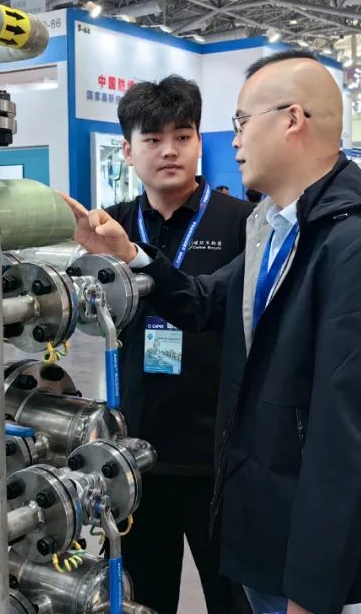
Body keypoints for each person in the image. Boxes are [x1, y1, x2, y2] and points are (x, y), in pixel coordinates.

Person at [64, 50, 361, 614]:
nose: (232, 141)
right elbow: (204, 300)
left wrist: (313, 591)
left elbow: (350, 442)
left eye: (240, 122)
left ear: (292, 119)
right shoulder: (276, 228)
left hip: (311, 562)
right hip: (263, 518)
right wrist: (131, 254)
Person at [102, 75, 253, 614]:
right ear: (128, 151)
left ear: (198, 143)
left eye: (182, 136)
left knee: (233, 599)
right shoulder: (112, 227)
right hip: (138, 452)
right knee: (144, 599)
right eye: (152, 139)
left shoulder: (242, 224)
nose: (169, 150)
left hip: (219, 455)